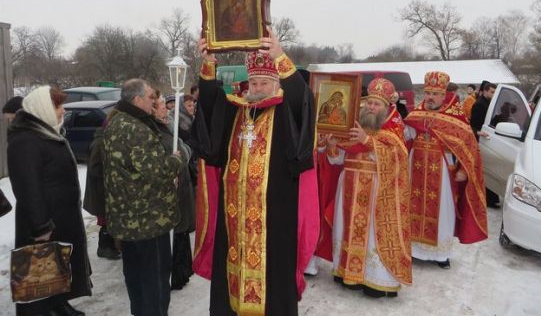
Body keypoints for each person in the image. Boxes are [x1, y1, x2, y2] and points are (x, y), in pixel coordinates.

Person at [193, 30, 317, 316]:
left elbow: (303, 103)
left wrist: (279, 56)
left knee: (274, 281)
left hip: (274, 219)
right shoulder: (237, 111)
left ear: (277, 85)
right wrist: (208, 63)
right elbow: (210, 108)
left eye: (266, 82)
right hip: (234, 218)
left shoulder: (285, 113)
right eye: (256, 82)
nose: (259, 87)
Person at [320, 79, 412, 298]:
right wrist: (332, 146)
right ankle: (346, 272)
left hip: (376, 191)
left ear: (387, 107)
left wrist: (368, 141)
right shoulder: (352, 126)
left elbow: (398, 159)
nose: (371, 107)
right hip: (349, 186)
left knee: (371, 234)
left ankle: (375, 279)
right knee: (345, 228)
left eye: (376, 104)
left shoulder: (393, 129)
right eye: (369, 102)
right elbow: (337, 160)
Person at [8, 86, 91, 316]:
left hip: (59, 216)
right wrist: (41, 226)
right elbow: (27, 187)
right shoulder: (25, 141)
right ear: (42, 108)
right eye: (58, 105)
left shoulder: (46, 133)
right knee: (37, 275)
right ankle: (44, 309)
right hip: (42, 223)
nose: (63, 110)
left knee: (57, 267)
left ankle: (58, 304)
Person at [102, 79, 183, 316]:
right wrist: (177, 159)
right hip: (148, 220)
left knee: (136, 279)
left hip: (128, 220)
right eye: (150, 97)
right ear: (137, 100)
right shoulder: (136, 129)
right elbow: (158, 170)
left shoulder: (116, 121)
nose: (154, 101)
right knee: (154, 283)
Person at [404, 72, 488, 269]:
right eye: (427, 93)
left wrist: (464, 171)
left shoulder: (456, 117)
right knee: (412, 207)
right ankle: (415, 249)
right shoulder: (416, 114)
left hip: (443, 172)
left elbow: (469, 147)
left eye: (435, 93)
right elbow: (406, 136)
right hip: (414, 169)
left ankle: (441, 254)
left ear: (444, 94)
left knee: (444, 211)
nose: (430, 97)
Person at [152, 92, 195, 291]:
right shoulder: (153, 130)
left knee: (181, 229)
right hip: (170, 187)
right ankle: (174, 273)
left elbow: (184, 148)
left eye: (164, 104)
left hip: (182, 183)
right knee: (175, 230)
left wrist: (182, 154)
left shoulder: (168, 124)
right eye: (160, 105)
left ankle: (182, 271)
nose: (165, 108)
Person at [83, 114, 121, 260]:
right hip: (100, 191)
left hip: (105, 189)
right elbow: (95, 168)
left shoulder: (107, 140)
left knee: (108, 220)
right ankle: (105, 248)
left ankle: (109, 247)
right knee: (105, 221)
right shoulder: (100, 143)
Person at [470, 82, 499, 208]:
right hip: (481, 141)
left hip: (487, 139)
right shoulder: (479, 104)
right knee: (485, 169)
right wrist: (477, 132)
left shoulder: (489, 103)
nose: (493, 94)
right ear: (485, 91)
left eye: (494, 92)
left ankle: (492, 198)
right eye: (492, 92)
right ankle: (488, 199)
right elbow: (472, 125)